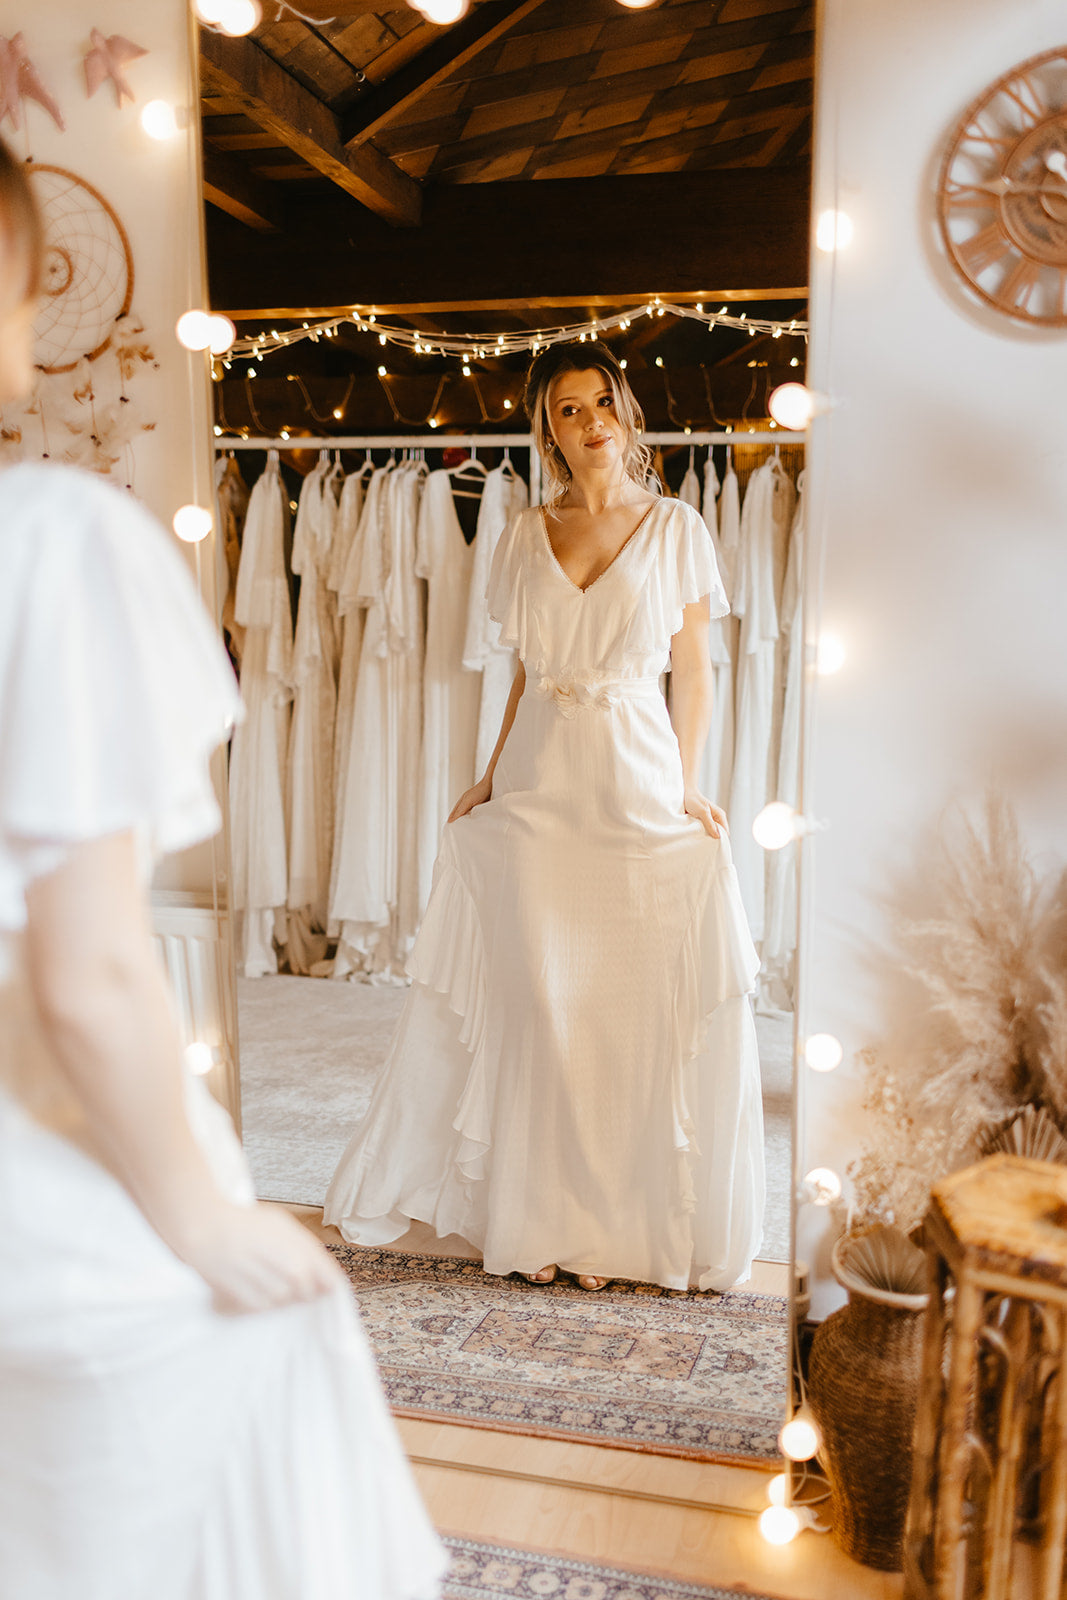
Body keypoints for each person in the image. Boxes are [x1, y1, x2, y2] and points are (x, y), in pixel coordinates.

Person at [0, 137, 447, 1600]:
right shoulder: (53, 543)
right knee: (272, 1369)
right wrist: (201, 1218)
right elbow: (84, 971)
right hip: (31, 1191)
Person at [325, 342, 765, 1295]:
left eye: (600, 400)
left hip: (635, 781)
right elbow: (523, 671)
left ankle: (622, 1228)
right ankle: (539, 1223)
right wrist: (489, 776)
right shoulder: (523, 531)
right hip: (536, 786)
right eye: (567, 409)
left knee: (622, 1014)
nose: (588, 421)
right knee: (539, 1008)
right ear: (548, 428)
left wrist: (688, 786)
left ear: (625, 409)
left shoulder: (678, 524)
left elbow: (694, 673)